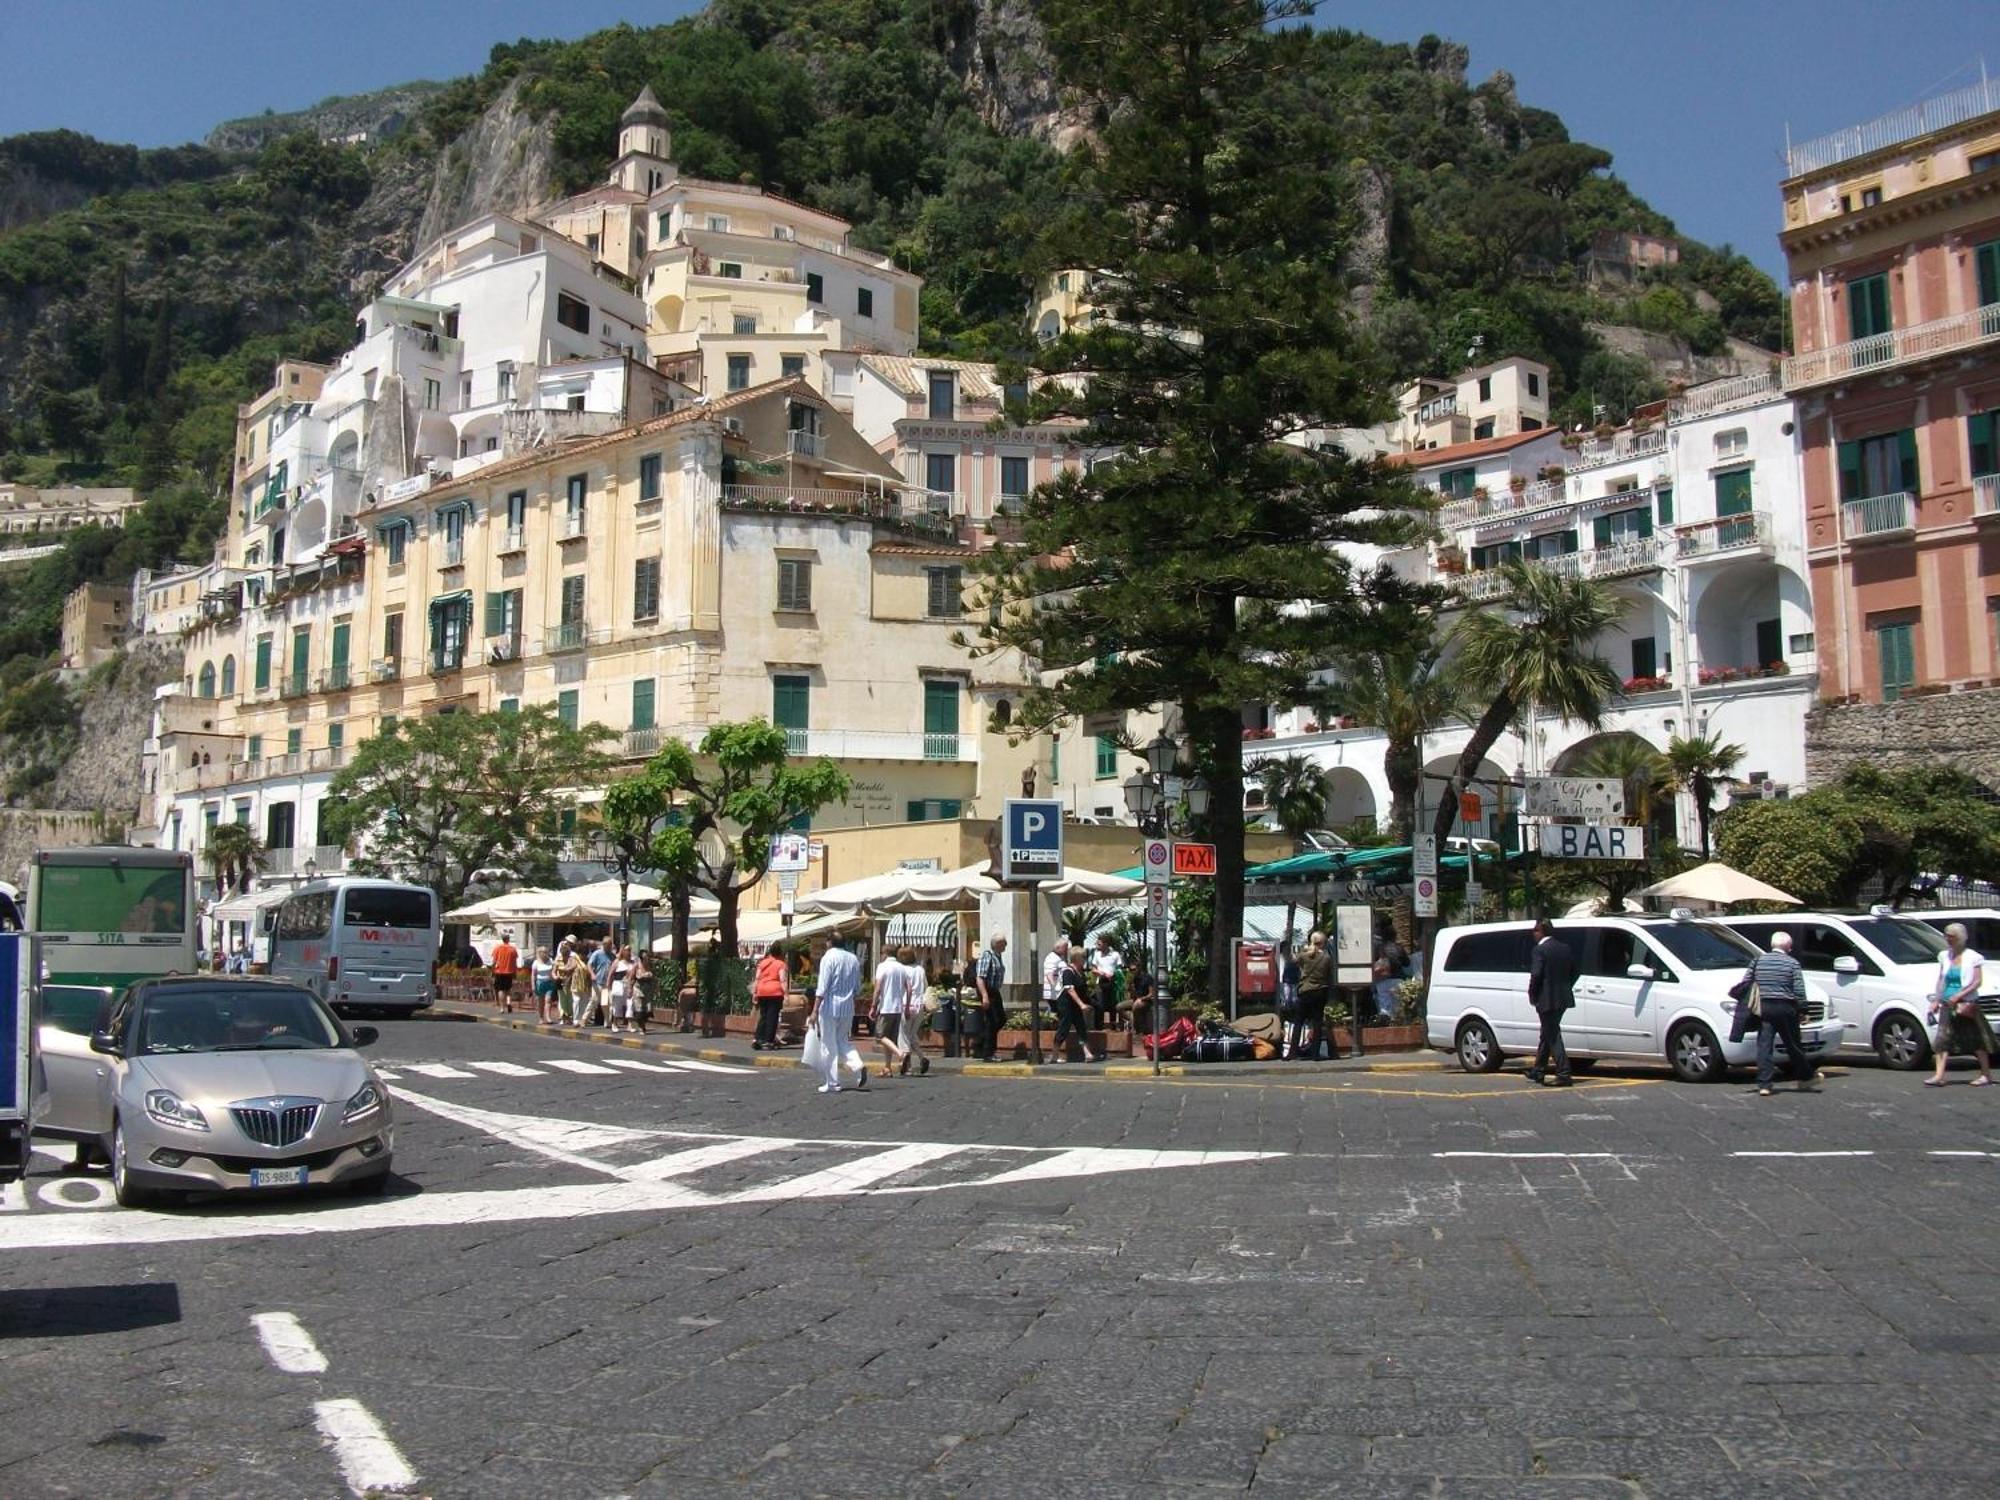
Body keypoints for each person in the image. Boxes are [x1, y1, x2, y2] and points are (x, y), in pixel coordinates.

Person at [1749, 930, 1817, 1098]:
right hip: (1786, 1007)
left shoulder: (1757, 961)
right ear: (1788, 946)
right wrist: (1803, 1010)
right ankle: (1805, 1077)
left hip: (1764, 1008)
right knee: (1793, 1045)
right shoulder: (1792, 963)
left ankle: (1764, 1084)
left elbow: (1747, 981)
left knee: (1764, 1046)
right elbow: (1799, 989)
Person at [1927, 921, 1995, 1088]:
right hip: (1947, 1002)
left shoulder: (1973, 957)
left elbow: (1977, 982)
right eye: (1946, 936)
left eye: (1951, 937)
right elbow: (1941, 979)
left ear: (1960, 938)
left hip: (1966, 1003)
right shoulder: (1944, 956)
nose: (1948, 939)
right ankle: (1939, 1075)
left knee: (1976, 1039)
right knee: (1942, 1038)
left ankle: (1985, 1074)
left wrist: (1959, 995)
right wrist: (1936, 999)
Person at [809, 932, 867, 1093]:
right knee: (842, 1040)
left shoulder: (828, 958)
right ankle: (857, 1065)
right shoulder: (853, 959)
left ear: (829, 942)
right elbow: (857, 988)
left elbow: (822, 987)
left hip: (829, 1006)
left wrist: (814, 1011)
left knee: (828, 1045)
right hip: (847, 1007)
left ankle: (832, 1082)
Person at [1525, 919, 1576, 1087]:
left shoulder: (1539, 950)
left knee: (1552, 1034)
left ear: (1542, 931)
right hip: (1562, 998)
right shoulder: (1565, 948)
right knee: (1547, 1033)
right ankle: (1538, 1070)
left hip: (1546, 999)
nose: (1533, 933)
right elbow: (1575, 971)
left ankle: (1564, 1072)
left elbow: (1536, 975)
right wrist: (1565, 987)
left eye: (1535, 930)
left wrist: (1532, 994)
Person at [1048, 946, 1102, 1063]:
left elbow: (1082, 991)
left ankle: (1087, 1053)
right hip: (1066, 1004)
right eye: (1083, 957)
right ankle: (1054, 1054)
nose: (1084, 959)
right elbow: (1070, 989)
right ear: (1076, 958)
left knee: (1081, 1027)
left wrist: (1090, 1003)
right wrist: (1081, 1004)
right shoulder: (1068, 971)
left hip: (1075, 1005)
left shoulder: (1079, 973)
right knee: (1064, 1027)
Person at [873, 943, 914, 1076]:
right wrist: (907, 1006)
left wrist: (873, 1005)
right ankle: (887, 1067)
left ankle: (900, 1054)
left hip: (886, 1007)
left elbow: (878, 988)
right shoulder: (902, 968)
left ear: (884, 953)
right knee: (889, 1039)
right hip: (898, 1008)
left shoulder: (882, 967)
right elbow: (909, 988)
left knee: (880, 1036)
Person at [1293, 931, 1331, 1060]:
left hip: (1304, 990)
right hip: (1320, 991)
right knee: (1317, 1022)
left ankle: (1292, 1052)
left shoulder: (1303, 956)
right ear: (1323, 943)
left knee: (1298, 1021)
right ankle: (1315, 1053)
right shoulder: (1326, 957)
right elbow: (1328, 973)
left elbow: (1294, 961)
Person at [975, 934, 1009, 1063]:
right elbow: (980, 977)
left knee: (1000, 1019)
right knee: (992, 1021)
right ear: (997, 944)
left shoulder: (997, 957)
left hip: (995, 991)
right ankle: (988, 1053)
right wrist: (984, 996)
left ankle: (979, 1044)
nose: (1005, 945)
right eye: (1003, 943)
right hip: (988, 991)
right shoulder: (987, 956)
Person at [897, 946, 931, 1076]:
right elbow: (926, 987)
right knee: (911, 1034)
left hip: (905, 1004)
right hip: (919, 1005)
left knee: (903, 1035)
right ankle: (922, 1058)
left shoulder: (901, 970)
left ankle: (907, 1064)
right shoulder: (920, 969)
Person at [752, 945, 789, 1050]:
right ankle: (768, 1041)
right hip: (775, 992)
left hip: (762, 991)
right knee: (772, 1016)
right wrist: (786, 994)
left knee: (763, 1016)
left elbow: (757, 978)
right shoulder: (781, 964)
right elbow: (782, 979)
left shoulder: (762, 963)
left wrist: (755, 993)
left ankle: (758, 1038)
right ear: (780, 953)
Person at [1372, 921, 1408, 1024]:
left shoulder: (1378, 947)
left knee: (1384, 1005)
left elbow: (1373, 962)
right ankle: (1397, 1025)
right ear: (1394, 936)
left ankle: (1385, 1025)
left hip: (1382, 979)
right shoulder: (1399, 948)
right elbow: (1406, 963)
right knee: (1398, 1006)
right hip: (1398, 978)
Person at [1090, 935, 1124, 1030]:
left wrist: (1113, 975)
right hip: (1100, 982)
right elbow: (1093, 969)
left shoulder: (1115, 955)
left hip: (1112, 982)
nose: (1097, 945)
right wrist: (1101, 973)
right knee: (1100, 1004)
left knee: (1112, 1004)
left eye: (1099, 944)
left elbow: (1119, 969)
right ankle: (1099, 1026)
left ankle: (1113, 1025)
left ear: (1106, 944)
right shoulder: (1096, 954)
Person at [607, 945, 638, 1034]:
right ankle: (615, 1023)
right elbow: (611, 974)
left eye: (629, 950)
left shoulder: (633, 963)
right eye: (626, 950)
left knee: (630, 1004)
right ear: (623, 952)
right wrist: (608, 985)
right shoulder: (618, 962)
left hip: (630, 986)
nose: (628, 952)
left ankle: (630, 1024)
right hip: (619, 985)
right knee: (617, 1005)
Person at [490, 929, 521, 1015]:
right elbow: (515, 962)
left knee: (500, 990)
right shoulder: (512, 949)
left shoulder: (497, 948)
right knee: (508, 989)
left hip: (499, 971)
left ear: (502, 939)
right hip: (509, 971)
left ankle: (502, 1008)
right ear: (508, 939)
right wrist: (515, 972)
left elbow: (494, 961)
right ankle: (508, 1002)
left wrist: (492, 971)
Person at [631, 947, 655, 1036]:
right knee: (640, 1009)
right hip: (638, 989)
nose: (646, 959)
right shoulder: (636, 965)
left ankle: (643, 1022)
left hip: (648, 990)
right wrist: (630, 989)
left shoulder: (650, 966)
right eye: (644, 958)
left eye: (647, 957)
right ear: (641, 958)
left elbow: (654, 978)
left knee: (649, 1010)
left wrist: (656, 987)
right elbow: (631, 977)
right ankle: (641, 1027)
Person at [531, 945, 558, 1023]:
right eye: (544, 952)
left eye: (546, 952)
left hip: (549, 983)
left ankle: (548, 1017)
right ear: (540, 953)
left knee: (548, 1000)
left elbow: (553, 971)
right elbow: (533, 975)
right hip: (540, 983)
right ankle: (541, 1018)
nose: (546, 954)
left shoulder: (551, 961)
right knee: (541, 1002)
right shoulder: (536, 963)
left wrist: (555, 977)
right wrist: (533, 985)